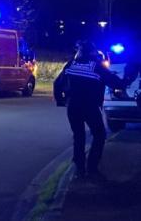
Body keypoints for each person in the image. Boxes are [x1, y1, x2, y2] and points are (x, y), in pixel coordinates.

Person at [54, 40, 131, 179]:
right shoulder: (96, 66)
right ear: (92, 53)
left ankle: (79, 170)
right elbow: (113, 81)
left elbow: (57, 83)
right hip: (89, 106)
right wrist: (126, 81)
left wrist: (61, 101)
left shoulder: (72, 64)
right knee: (99, 135)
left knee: (78, 136)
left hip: (72, 106)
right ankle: (92, 169)